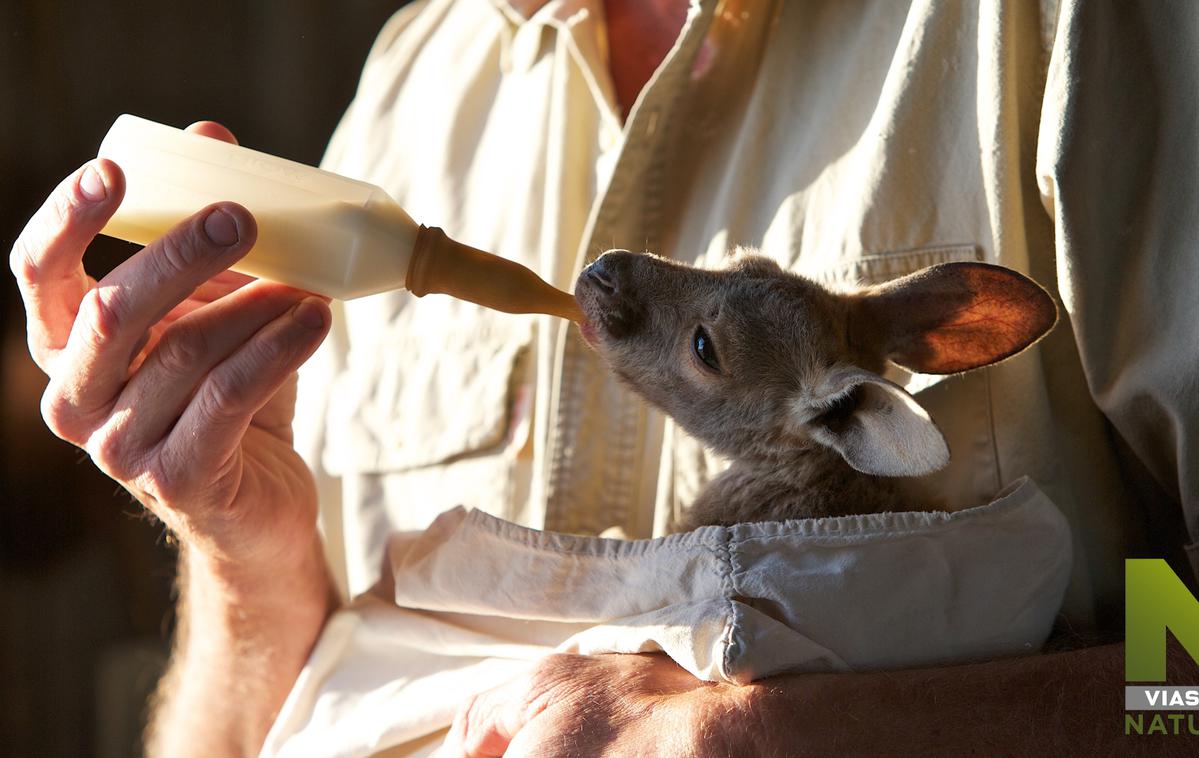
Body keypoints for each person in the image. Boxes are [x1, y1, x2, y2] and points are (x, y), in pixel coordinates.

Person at [10, 0, 1199, 755]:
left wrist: (786, 735)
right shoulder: (414, 84)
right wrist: (242, 549)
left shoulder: (1056, 33)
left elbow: (1177, 676)